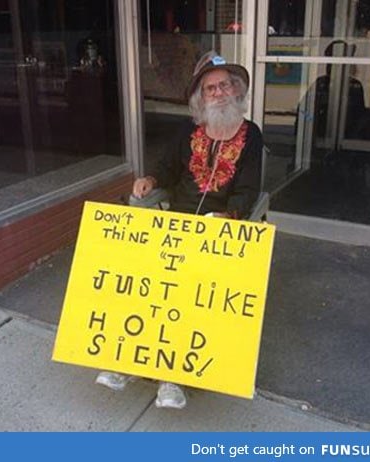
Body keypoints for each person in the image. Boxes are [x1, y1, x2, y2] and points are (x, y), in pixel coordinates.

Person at [95, 50, 263, 409]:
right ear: (200, 99)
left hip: (218, 232)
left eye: (225, 86)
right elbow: (168, 169)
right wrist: (150, 179)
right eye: (210, 89)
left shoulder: (252, 136)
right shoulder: (188, 131)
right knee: (143, 284)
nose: (218, 93)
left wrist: (229, 217)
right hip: (175, 224)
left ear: (237, 92)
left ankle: (174, 378)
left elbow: (249, 189)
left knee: (190, 291)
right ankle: (126, 359)